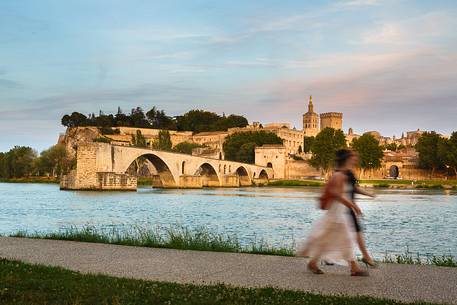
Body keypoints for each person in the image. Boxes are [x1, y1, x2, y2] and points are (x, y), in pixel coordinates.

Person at [297, 149, 370, 276]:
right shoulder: (339, 175)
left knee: (327, 239)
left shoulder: (342, 174)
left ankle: (313, 263)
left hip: (338, 213)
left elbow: (342, 193)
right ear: (346, 160)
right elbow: (337, 194)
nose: (355, 160)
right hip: (338, 213)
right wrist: (353, 206)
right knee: (346, 239)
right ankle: (354, 267)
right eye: (352, 158)